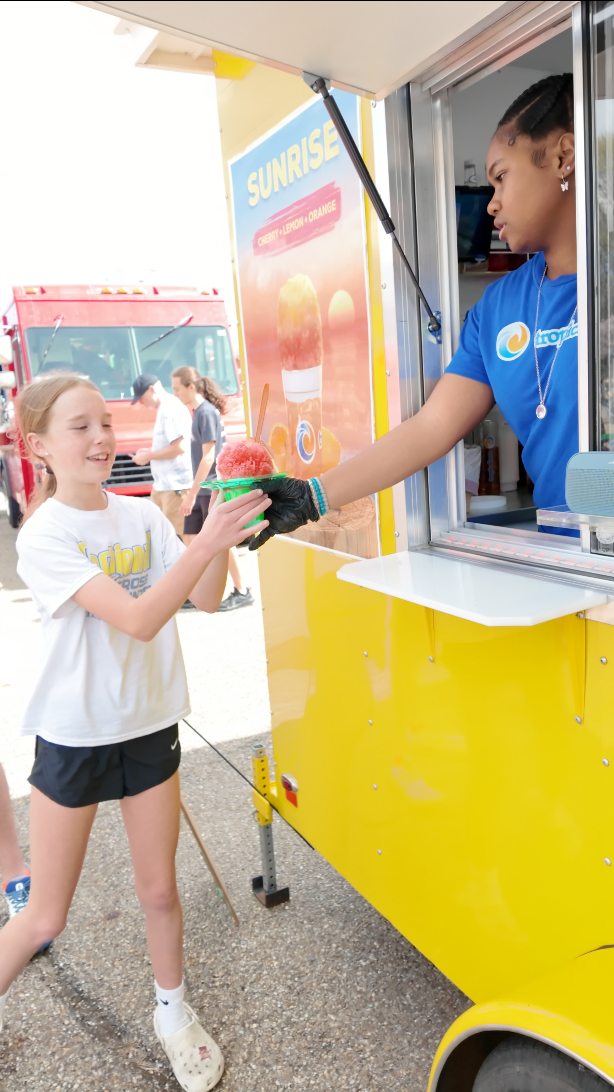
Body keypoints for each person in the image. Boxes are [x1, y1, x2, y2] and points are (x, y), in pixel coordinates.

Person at [0, 372, 270, 1092]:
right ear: (39, 446)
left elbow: (206, 599)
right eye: (79, 427)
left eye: (104, 425)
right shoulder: (45, 535)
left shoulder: (144, 514)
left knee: (159, 892)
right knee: (43, 917)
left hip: (149, 728)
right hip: (75, 738)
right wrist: (198, 542)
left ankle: (173, 1014)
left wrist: (218, 519)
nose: (99, 439)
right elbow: (140, 617)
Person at [246, 74, 579, 550]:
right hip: (567, 559)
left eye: (501, 176)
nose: (491, 204)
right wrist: (313, 496)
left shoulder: (600, 284)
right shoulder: (497, 309)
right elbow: (431, 428)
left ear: (562, 156)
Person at [171, 366, 254, 612]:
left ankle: (242, 590)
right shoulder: (198, 413)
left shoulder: (206, 413)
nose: (175, 394)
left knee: (220, 543)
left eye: (177, 389)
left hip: (210, 489)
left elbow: (208, 457)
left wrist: (193, 493)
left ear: (190, 387)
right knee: (190, 537)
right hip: (203, 487)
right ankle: (193, 590)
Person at [131, 373, 193, 538]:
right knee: (169, 537)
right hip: (165, 485)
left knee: (181, 537)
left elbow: (180, 447)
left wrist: (149, 456)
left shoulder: (170, 408)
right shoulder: (165, 408)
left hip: (175, 487)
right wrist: (149, 453)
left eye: (141, 398)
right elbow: (171, 445)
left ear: (151, 389)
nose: (141, 403)